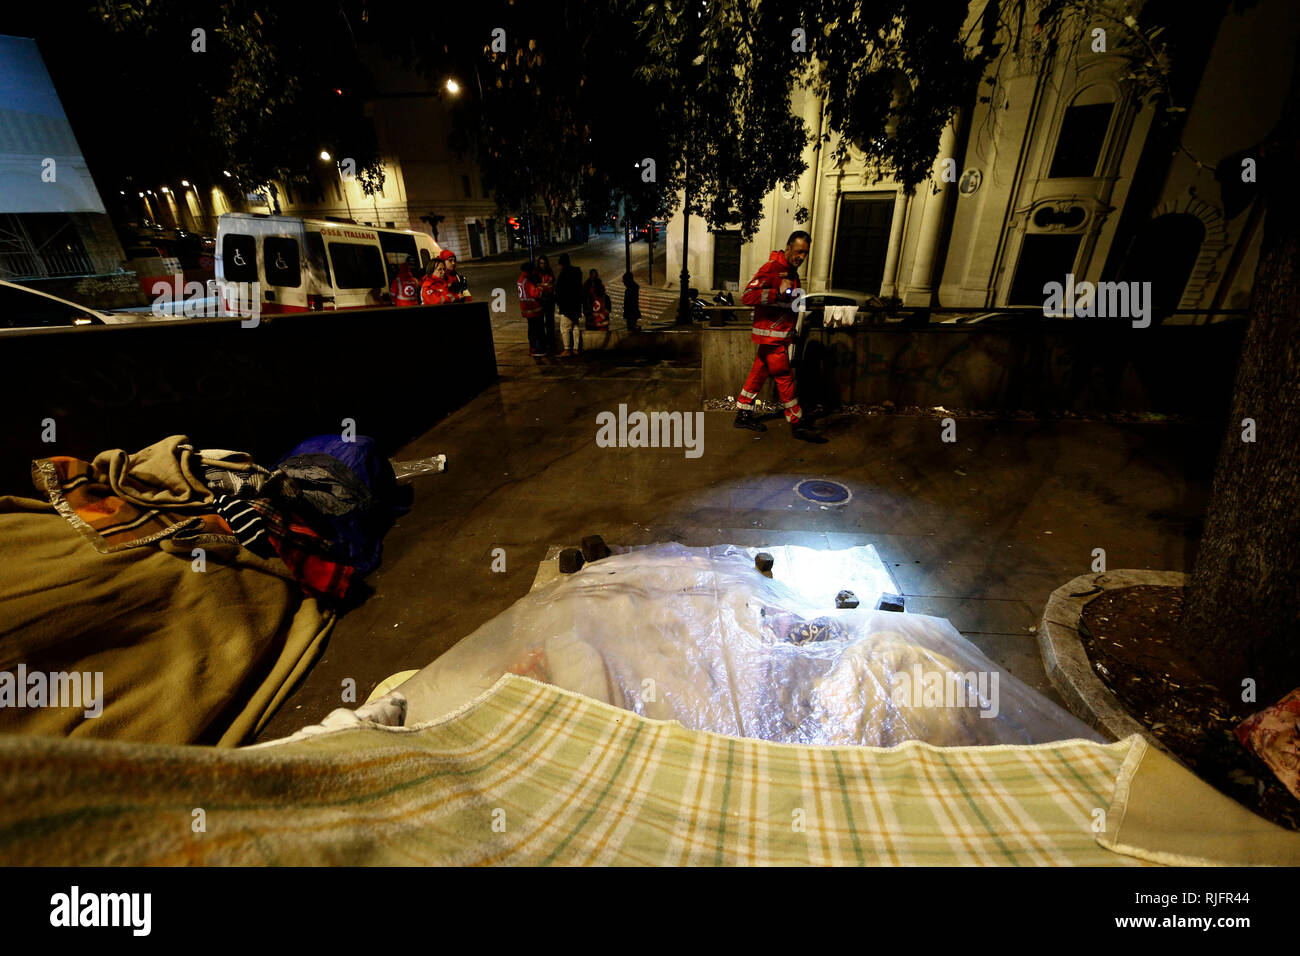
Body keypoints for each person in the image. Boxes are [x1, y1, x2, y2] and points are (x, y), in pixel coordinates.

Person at [733, 230, 826, 443]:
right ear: (788, 248)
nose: (801, 257)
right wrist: (775, 292)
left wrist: (799, 302)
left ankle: (743, 413)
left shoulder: (791, 273)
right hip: (772, 337)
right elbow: (747, 296)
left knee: (758, 373)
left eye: (805, 253)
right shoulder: (772, 268)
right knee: (784, 377)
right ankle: (796, 422)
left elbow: (790, 304)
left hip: (777, 336)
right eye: (799, 252)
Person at [554, 252, 584, 356]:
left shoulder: (563, 275)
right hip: (576, 305)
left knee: (564, 327)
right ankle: (576, 348)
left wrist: (559, 303)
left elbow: (559, 292)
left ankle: (567, 349)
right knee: (575, 326)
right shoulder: (577, 272)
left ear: (561, 264)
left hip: (567, 306)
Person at [518, 261, 546, 357]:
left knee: (531, 329)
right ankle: (536, 349)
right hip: (533, 309)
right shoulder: (527, 281)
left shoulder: (521, 279)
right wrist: (540, 288)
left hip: (526, 309)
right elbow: (535, 294)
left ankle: (533, 348)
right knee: (535, 330)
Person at [535, 254, 556, 353]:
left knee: (550, 322)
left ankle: (551, 342)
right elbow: (536, 285)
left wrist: (544, 285)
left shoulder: (550, 272)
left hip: (549, 300)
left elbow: (552, 285)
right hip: (540, 301)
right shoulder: (536, 273)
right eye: (541, 263)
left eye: (544, 263)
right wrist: (545, 285)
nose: (543, 265)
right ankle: (542, 342)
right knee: (540, 323)